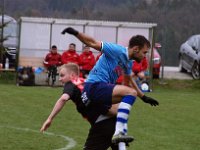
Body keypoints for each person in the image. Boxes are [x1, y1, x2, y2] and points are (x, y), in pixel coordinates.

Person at [61, 27, 159, 144]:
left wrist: (143, 97)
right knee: (130, 94)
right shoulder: (117, 50)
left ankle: (119, 138)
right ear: (136, 49)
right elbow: (92, 42)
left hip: (99, 92)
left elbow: (129, 82)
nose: (145, 56)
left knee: (120, 111)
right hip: (94, 86)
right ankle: (118, 132)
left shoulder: (128, 62)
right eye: (145, 52)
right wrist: (75, 32)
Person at [40, 63, 121, 150]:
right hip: (114, 121)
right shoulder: (87, 81)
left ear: (72, 75)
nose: (60, 79)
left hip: (102, 123)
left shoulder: (70, 83)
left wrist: (50, 118)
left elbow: (63, 98)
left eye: (62, 75)